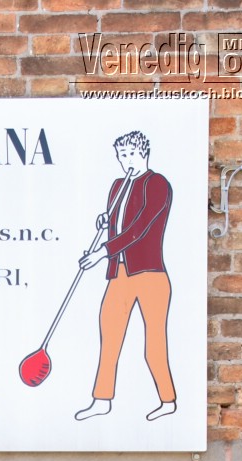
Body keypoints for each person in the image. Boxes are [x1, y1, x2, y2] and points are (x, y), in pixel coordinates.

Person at [75, 131, 176, 423]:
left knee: (153, 345)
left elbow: (138, 229)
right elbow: (117, 224)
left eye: (131, 154)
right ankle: (101, 400)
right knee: (109, 338)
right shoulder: (118, 186)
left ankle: (168, 401)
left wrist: (101, 252)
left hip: (150, 273)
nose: (126, 160)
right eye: (122, 155)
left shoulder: (157, 184)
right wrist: (105, 221)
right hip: (119, 273)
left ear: (143, 153)